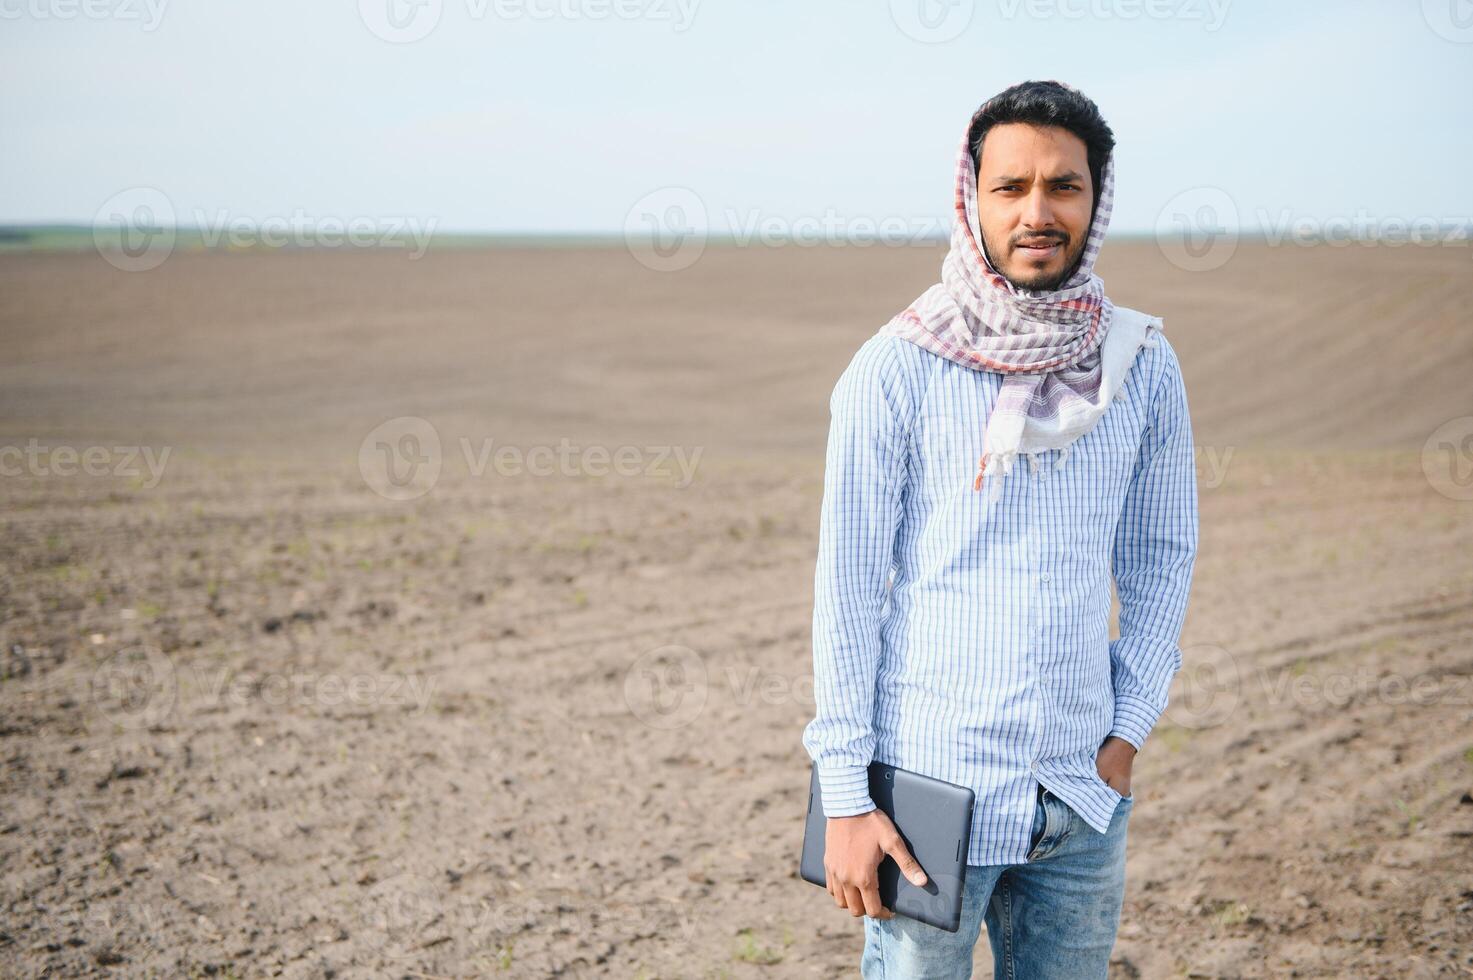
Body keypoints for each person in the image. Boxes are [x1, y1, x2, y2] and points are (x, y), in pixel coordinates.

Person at [801, 80, 1200, 978]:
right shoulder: (895, 369)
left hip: (1078, 794)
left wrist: (1126, 734)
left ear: (1096, 201)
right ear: (969, 198)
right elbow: (848, 593)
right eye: (1009, 186)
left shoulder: (1140, 362)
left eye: (1064, 186)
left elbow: (1161, 555)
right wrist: (844, 799)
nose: (1037, 211)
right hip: (926, 802)